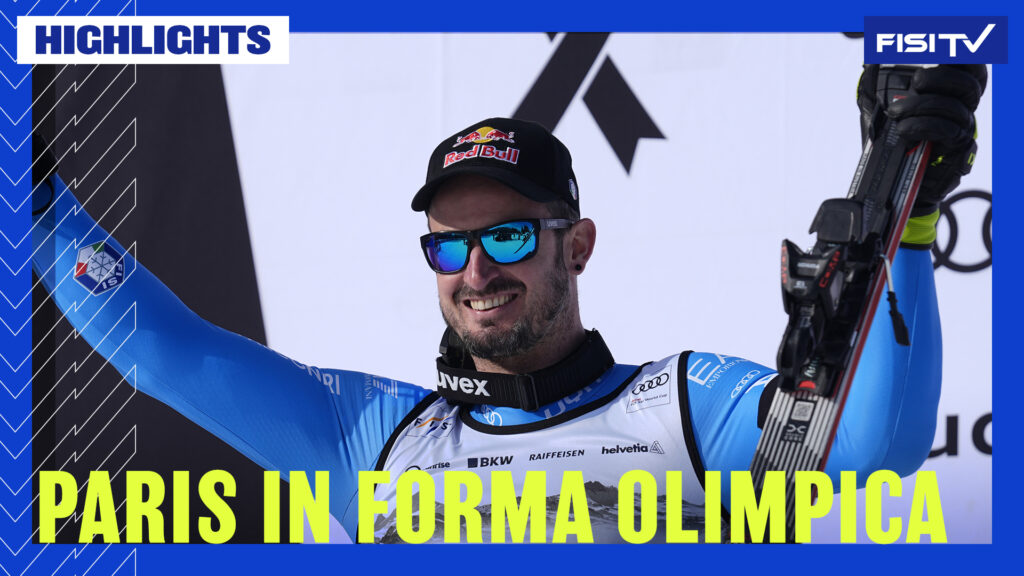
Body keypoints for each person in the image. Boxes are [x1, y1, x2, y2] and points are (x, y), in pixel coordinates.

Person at [30, 64, 986, 543]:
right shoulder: (369, 438)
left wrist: (904, 222)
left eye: (511, 237)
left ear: (578, 244)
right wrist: (32, 203)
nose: (477, 269)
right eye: (449, 244)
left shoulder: (686, 408)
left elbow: (874, 445)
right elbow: (160, 348)